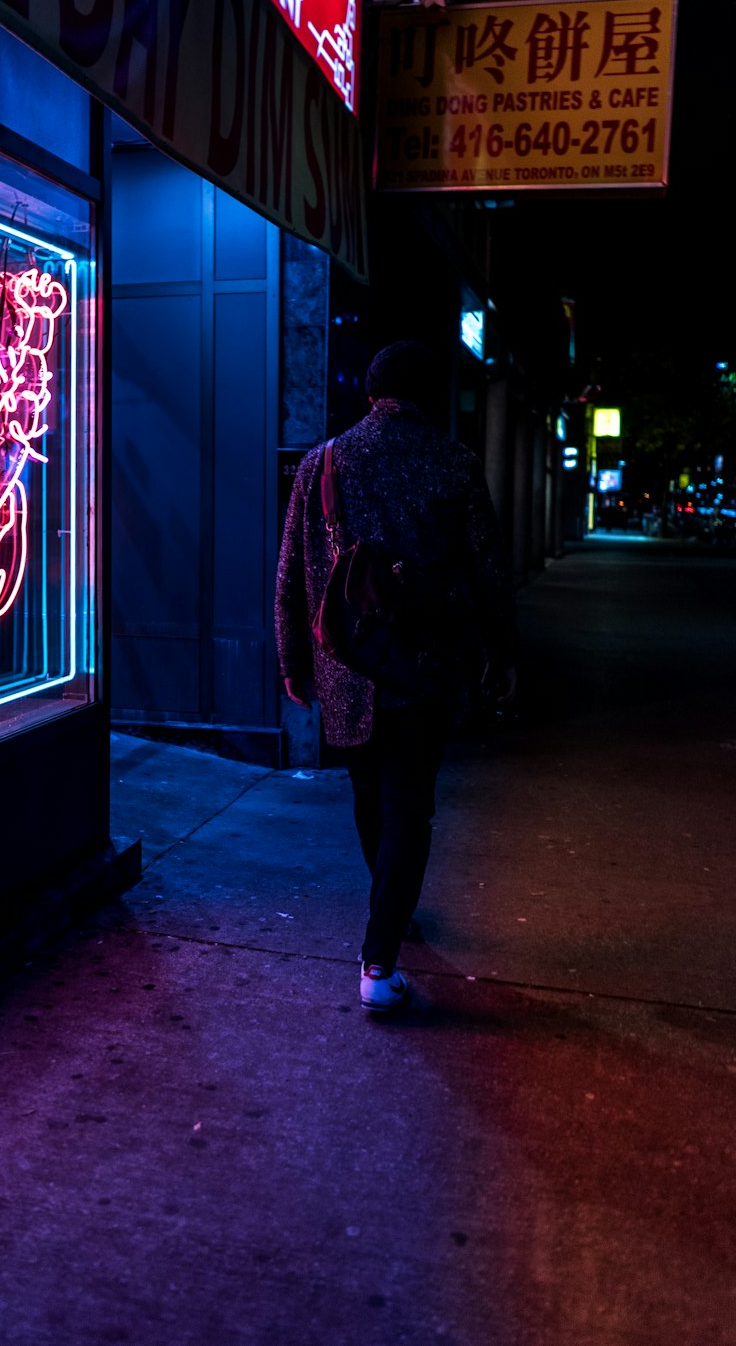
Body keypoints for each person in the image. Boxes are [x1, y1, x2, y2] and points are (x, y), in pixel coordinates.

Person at [274, 339, 517, 1014]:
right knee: (409, 802)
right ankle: (379, 960)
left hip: (346, 666)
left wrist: (294, 662)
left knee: (369, 795)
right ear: (426, 395)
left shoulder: (323, 462)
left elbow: (291, 575)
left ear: (371, 392)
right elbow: (490, 573)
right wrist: (501, 655)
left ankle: (390, 908)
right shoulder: (456, 463)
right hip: (424, 665)